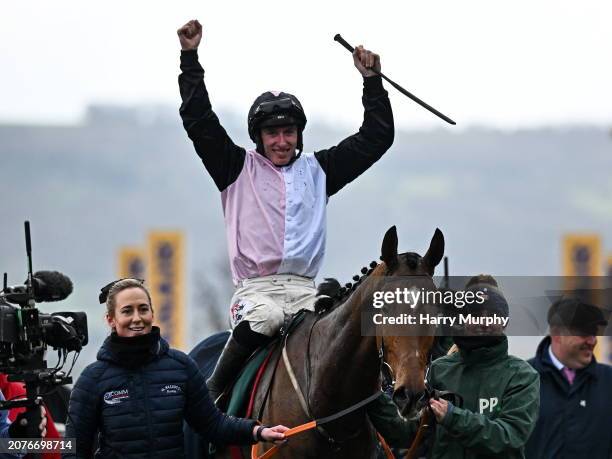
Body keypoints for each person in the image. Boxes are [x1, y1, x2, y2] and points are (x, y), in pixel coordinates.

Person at [177, 19, 394, 400]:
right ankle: (214, 393)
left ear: (299, 133)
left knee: (344, 337)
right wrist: (190, 58)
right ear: (258, 137)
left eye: (288, 132)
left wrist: (372, 82)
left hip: (307, 292)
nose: (281, 141)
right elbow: (199, 121)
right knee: (267, 317)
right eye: (272, 134)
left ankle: (386, 428)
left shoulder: (320, 170)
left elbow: (377, 137)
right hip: (256, 295)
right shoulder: (234, 166)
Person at [64, 279, 287, 459]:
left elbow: (212, 424)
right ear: (111, 320)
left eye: (143, 309)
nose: (137, 318)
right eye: (127, 311)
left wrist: (258, 431)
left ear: (152, 313)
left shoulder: (180, 366)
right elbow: (74, 449)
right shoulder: (92, 379)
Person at [384, 275, 540, 458]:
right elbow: (408, 433)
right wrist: (374, 398)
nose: (484, 322)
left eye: (493, 315)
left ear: (505, 322)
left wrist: (452, 417)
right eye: (475, 315)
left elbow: (509, 437)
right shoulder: (439, 369)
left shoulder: (522, 375)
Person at [525, 298, 611, 459]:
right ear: (557, 334)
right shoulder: (520, 380)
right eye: (585, 333)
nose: (592, 341)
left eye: (594, 332)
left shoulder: (609, 381)